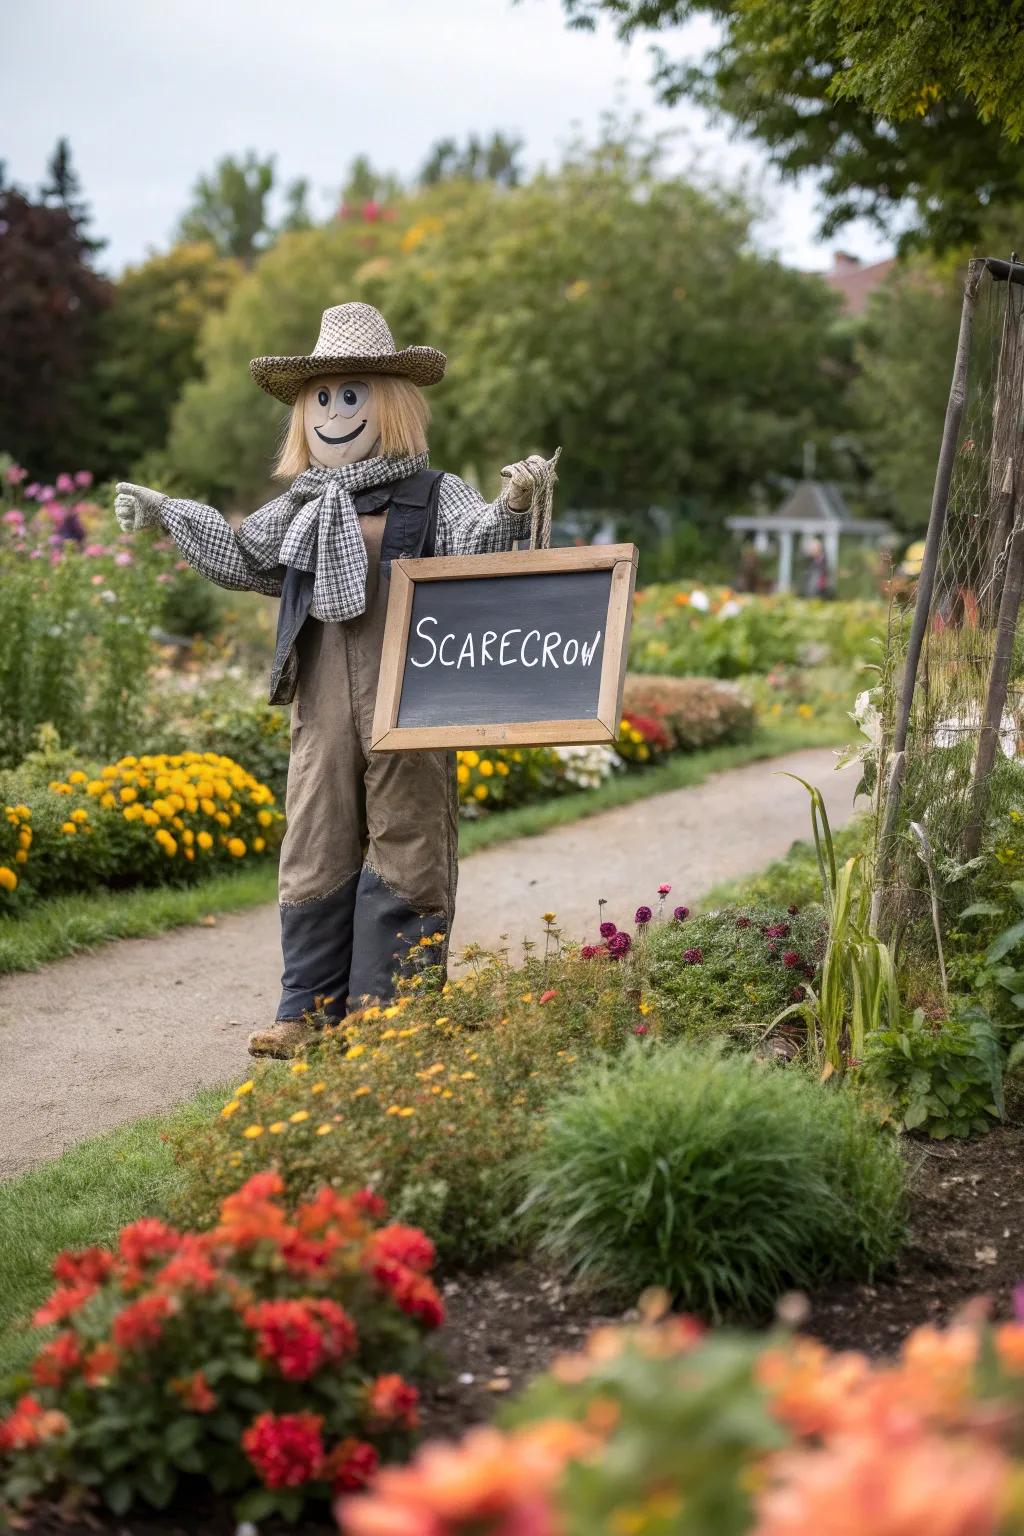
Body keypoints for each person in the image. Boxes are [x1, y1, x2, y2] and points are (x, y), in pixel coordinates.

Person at [115, 301, 556, 1058]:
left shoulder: (434, 493)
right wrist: (169, 513)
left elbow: (477, 546)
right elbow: (243, 556)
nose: (333, 412)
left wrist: (514, 503)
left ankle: (391, 1021)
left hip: (411, 697)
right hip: (321, 704)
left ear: (391, 404)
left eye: (351, 395)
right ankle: (307, 1014)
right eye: (320, 397)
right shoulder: (299, 505)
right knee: (314, 844)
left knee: (408, 843)